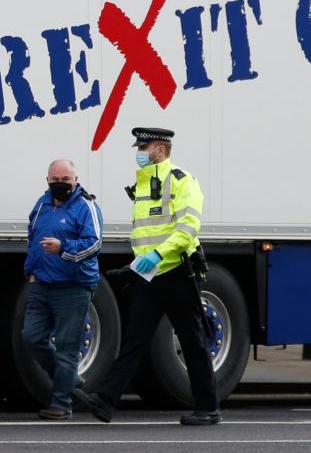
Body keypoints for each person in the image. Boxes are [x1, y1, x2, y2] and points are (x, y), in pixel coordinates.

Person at [73, 127, 220, 426]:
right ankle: (105, 401)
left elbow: (187, 229)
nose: (140, 152)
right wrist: (136, 266)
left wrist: (156, 256)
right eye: (139, 147)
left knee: (192, 341)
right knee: (135, 340)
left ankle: (208, 407)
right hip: (150, 273)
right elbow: (146, 235)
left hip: (177, 271)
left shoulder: (181, 181)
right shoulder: (143, 184)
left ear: (161, 150)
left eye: (145, 147)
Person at [22, 158, 103, 420]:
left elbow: (94, 244)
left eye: (65, 180)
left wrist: (64, 248)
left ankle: (61, 403)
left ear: (75, 180)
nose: (60, 184)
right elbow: (32, 237)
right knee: (31, 337)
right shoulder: (42, 204)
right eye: (55, 180)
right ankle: (70, 379)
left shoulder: (86, 206)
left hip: (73, 287)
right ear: (47, 180)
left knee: (68, 347)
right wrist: (30, 269)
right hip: (41, 284)